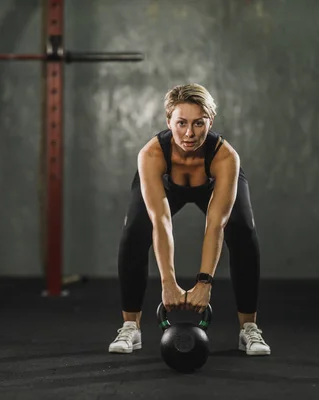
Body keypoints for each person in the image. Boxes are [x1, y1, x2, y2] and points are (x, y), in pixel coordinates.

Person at [108, 83, 271, 356]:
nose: (189, 133)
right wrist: (168, 283)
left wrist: (204, 283)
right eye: (181, 122)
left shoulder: (225, 157)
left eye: (199, 123)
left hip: (212, 183)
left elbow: (216, 224)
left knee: (243, 231)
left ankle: (249, 329)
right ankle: (130, 327)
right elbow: (161, 222)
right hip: (166, 184)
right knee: (135, 231)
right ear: (168, 121)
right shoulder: (151, 154)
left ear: (211, 120)